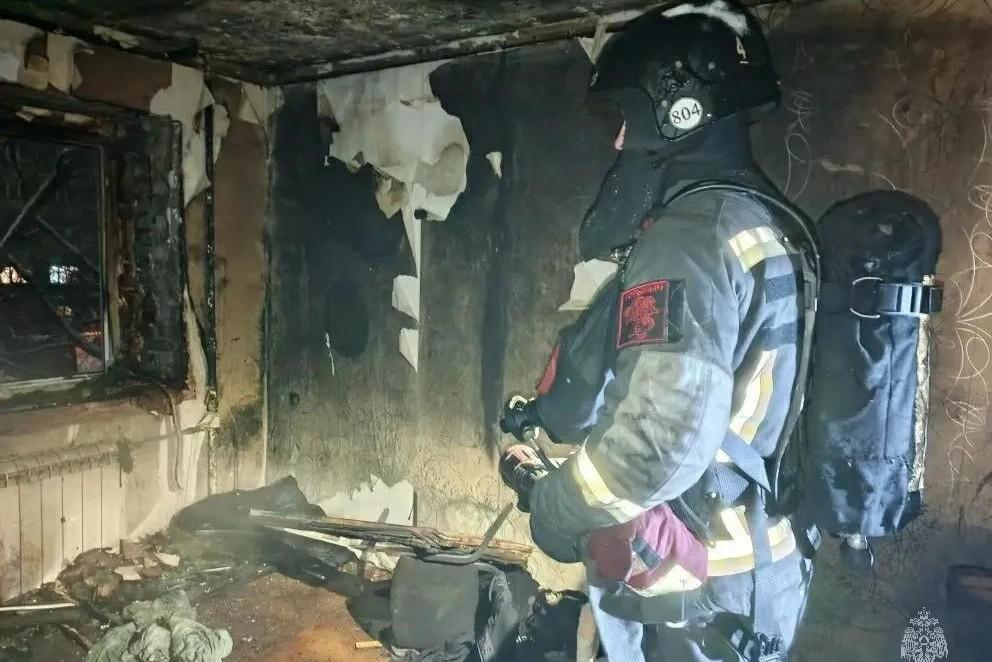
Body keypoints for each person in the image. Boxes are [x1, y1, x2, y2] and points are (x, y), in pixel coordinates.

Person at [498, 2, 815, 660]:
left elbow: (661, 441)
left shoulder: (688, 239)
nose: (619, 142)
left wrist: (555, 508)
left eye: (628, 117)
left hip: (694, 586)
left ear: (682, 112)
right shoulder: (761, 221)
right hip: (757, 564)